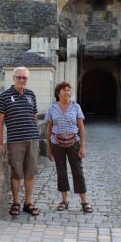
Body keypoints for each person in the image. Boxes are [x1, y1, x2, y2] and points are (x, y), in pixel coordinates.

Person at [0, 67, 40, 216]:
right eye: (19, 77)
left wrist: (37, 135)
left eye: (24, 78)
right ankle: (15, 202)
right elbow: (0, 120)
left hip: (32, 140)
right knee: (16, 173)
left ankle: (28, 203)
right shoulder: (4, 96)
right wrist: (0, 142)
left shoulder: (31, 95)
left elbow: (34, 116)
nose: (22, 80)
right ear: (13, 78)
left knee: (30, 173)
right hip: (15, 141)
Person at [45, 82, 93, 213]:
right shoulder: (52, 108)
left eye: (69, 90)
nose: (67, 92)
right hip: (57, 143)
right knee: (61, 171)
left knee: (78, 171)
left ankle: (84, 202)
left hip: (73, 143)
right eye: (64, 90)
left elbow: (81, 127)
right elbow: (48, 128)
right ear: (58, 93)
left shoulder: (76, 107)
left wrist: (82, 146)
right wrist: (48, 147)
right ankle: (64, 201)